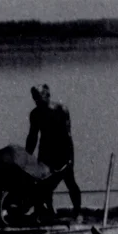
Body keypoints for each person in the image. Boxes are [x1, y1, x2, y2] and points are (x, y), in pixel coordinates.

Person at [26, 84, 81, 213]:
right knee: (43, 184)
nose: (37, 101)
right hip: (45, 153)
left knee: (70, 181)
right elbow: (32, 137)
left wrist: (70, 159)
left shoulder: (61, 110)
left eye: (39, 97)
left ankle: (77, 211)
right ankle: (49, 211)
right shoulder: (35, 114)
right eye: (34, 98)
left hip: (62, 152)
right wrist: (26, 156)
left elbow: (68, 136)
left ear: (47, 95)